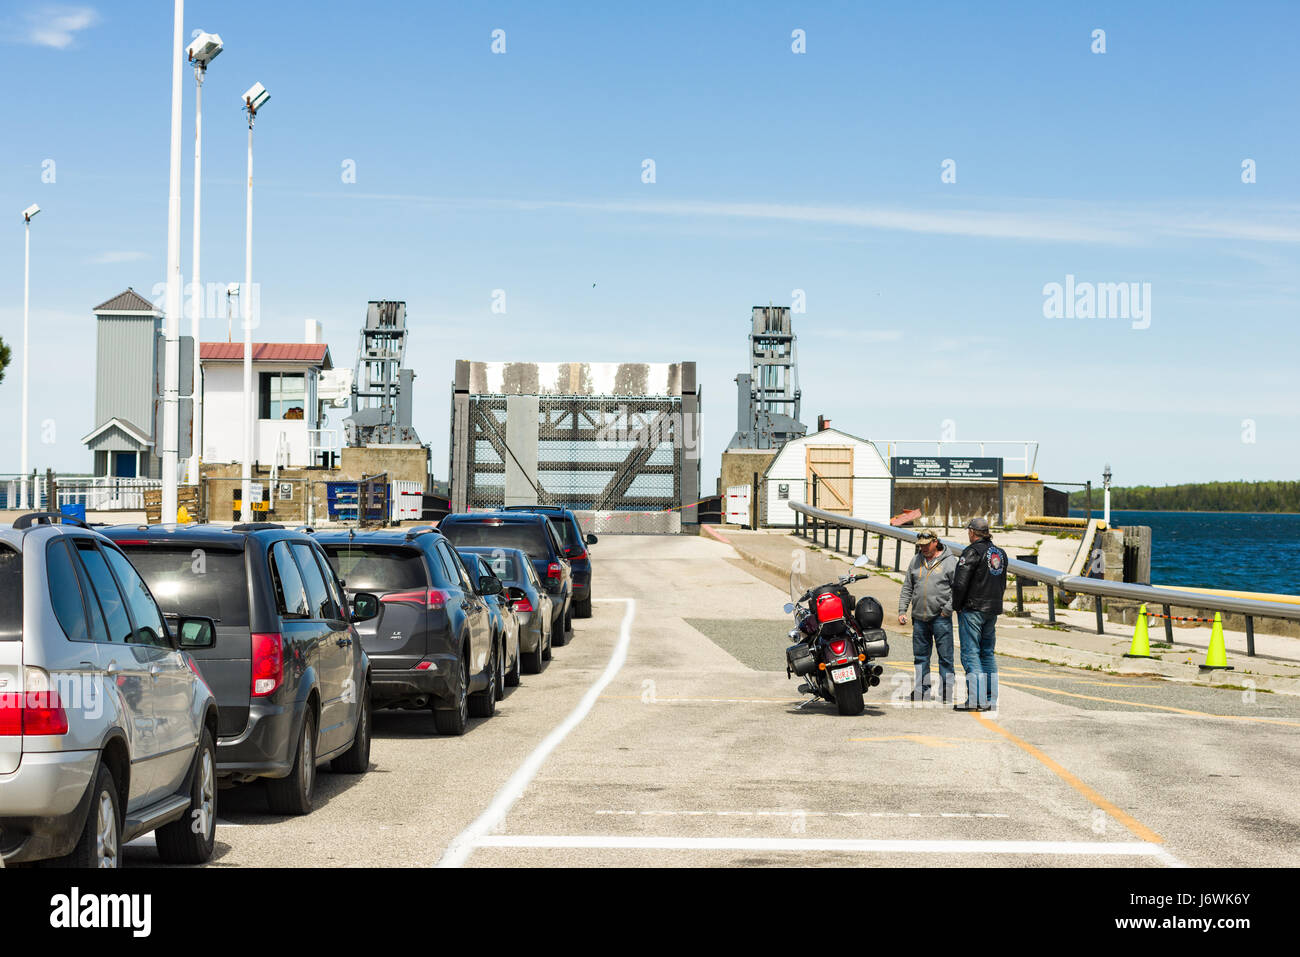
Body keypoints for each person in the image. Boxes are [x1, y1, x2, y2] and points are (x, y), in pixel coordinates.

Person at [951, 517, 1008, 712]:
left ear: (972, 532)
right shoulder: (1000, 553)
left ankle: (977, 700)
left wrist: (956, 605)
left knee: (970, 654)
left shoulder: (972, 552)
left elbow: (960, 583)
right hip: (992, 609)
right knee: (987, 653)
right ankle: (990, 699)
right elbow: (1002, 582)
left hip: (973, 608)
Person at [897, 530, 958, 703]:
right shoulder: (916, 560)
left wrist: (947, 609)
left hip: (941, 617)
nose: (923, 548)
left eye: (926, 545)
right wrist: (902, 610)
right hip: (919, 618)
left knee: (945, 657)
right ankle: (921, 690)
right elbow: (908, 586)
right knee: (920, 657)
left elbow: (957, 590)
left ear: (935, 542)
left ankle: (946, 691)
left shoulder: (950, 561)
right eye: (920, 545)